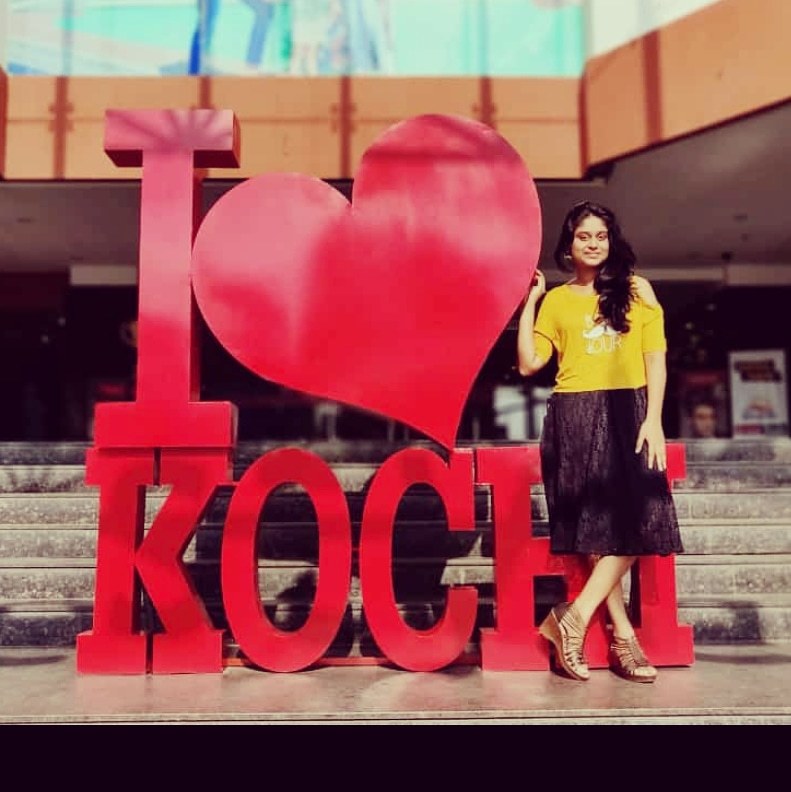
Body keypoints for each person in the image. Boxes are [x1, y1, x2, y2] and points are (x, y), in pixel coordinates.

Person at [516, 201, 684, 683]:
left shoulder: (637, 290)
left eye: (601, 236)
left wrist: (654, 419)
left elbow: (656, 359)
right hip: (574, 413)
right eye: (584, 236)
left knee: (643, 522)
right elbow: (529, 363)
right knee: (597, 533)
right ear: (568, 246)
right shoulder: (557, 300)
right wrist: (531, 303)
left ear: (612, 242)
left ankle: (572, 618)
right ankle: (624, 638)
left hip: (630, 410)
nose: (593, 243)